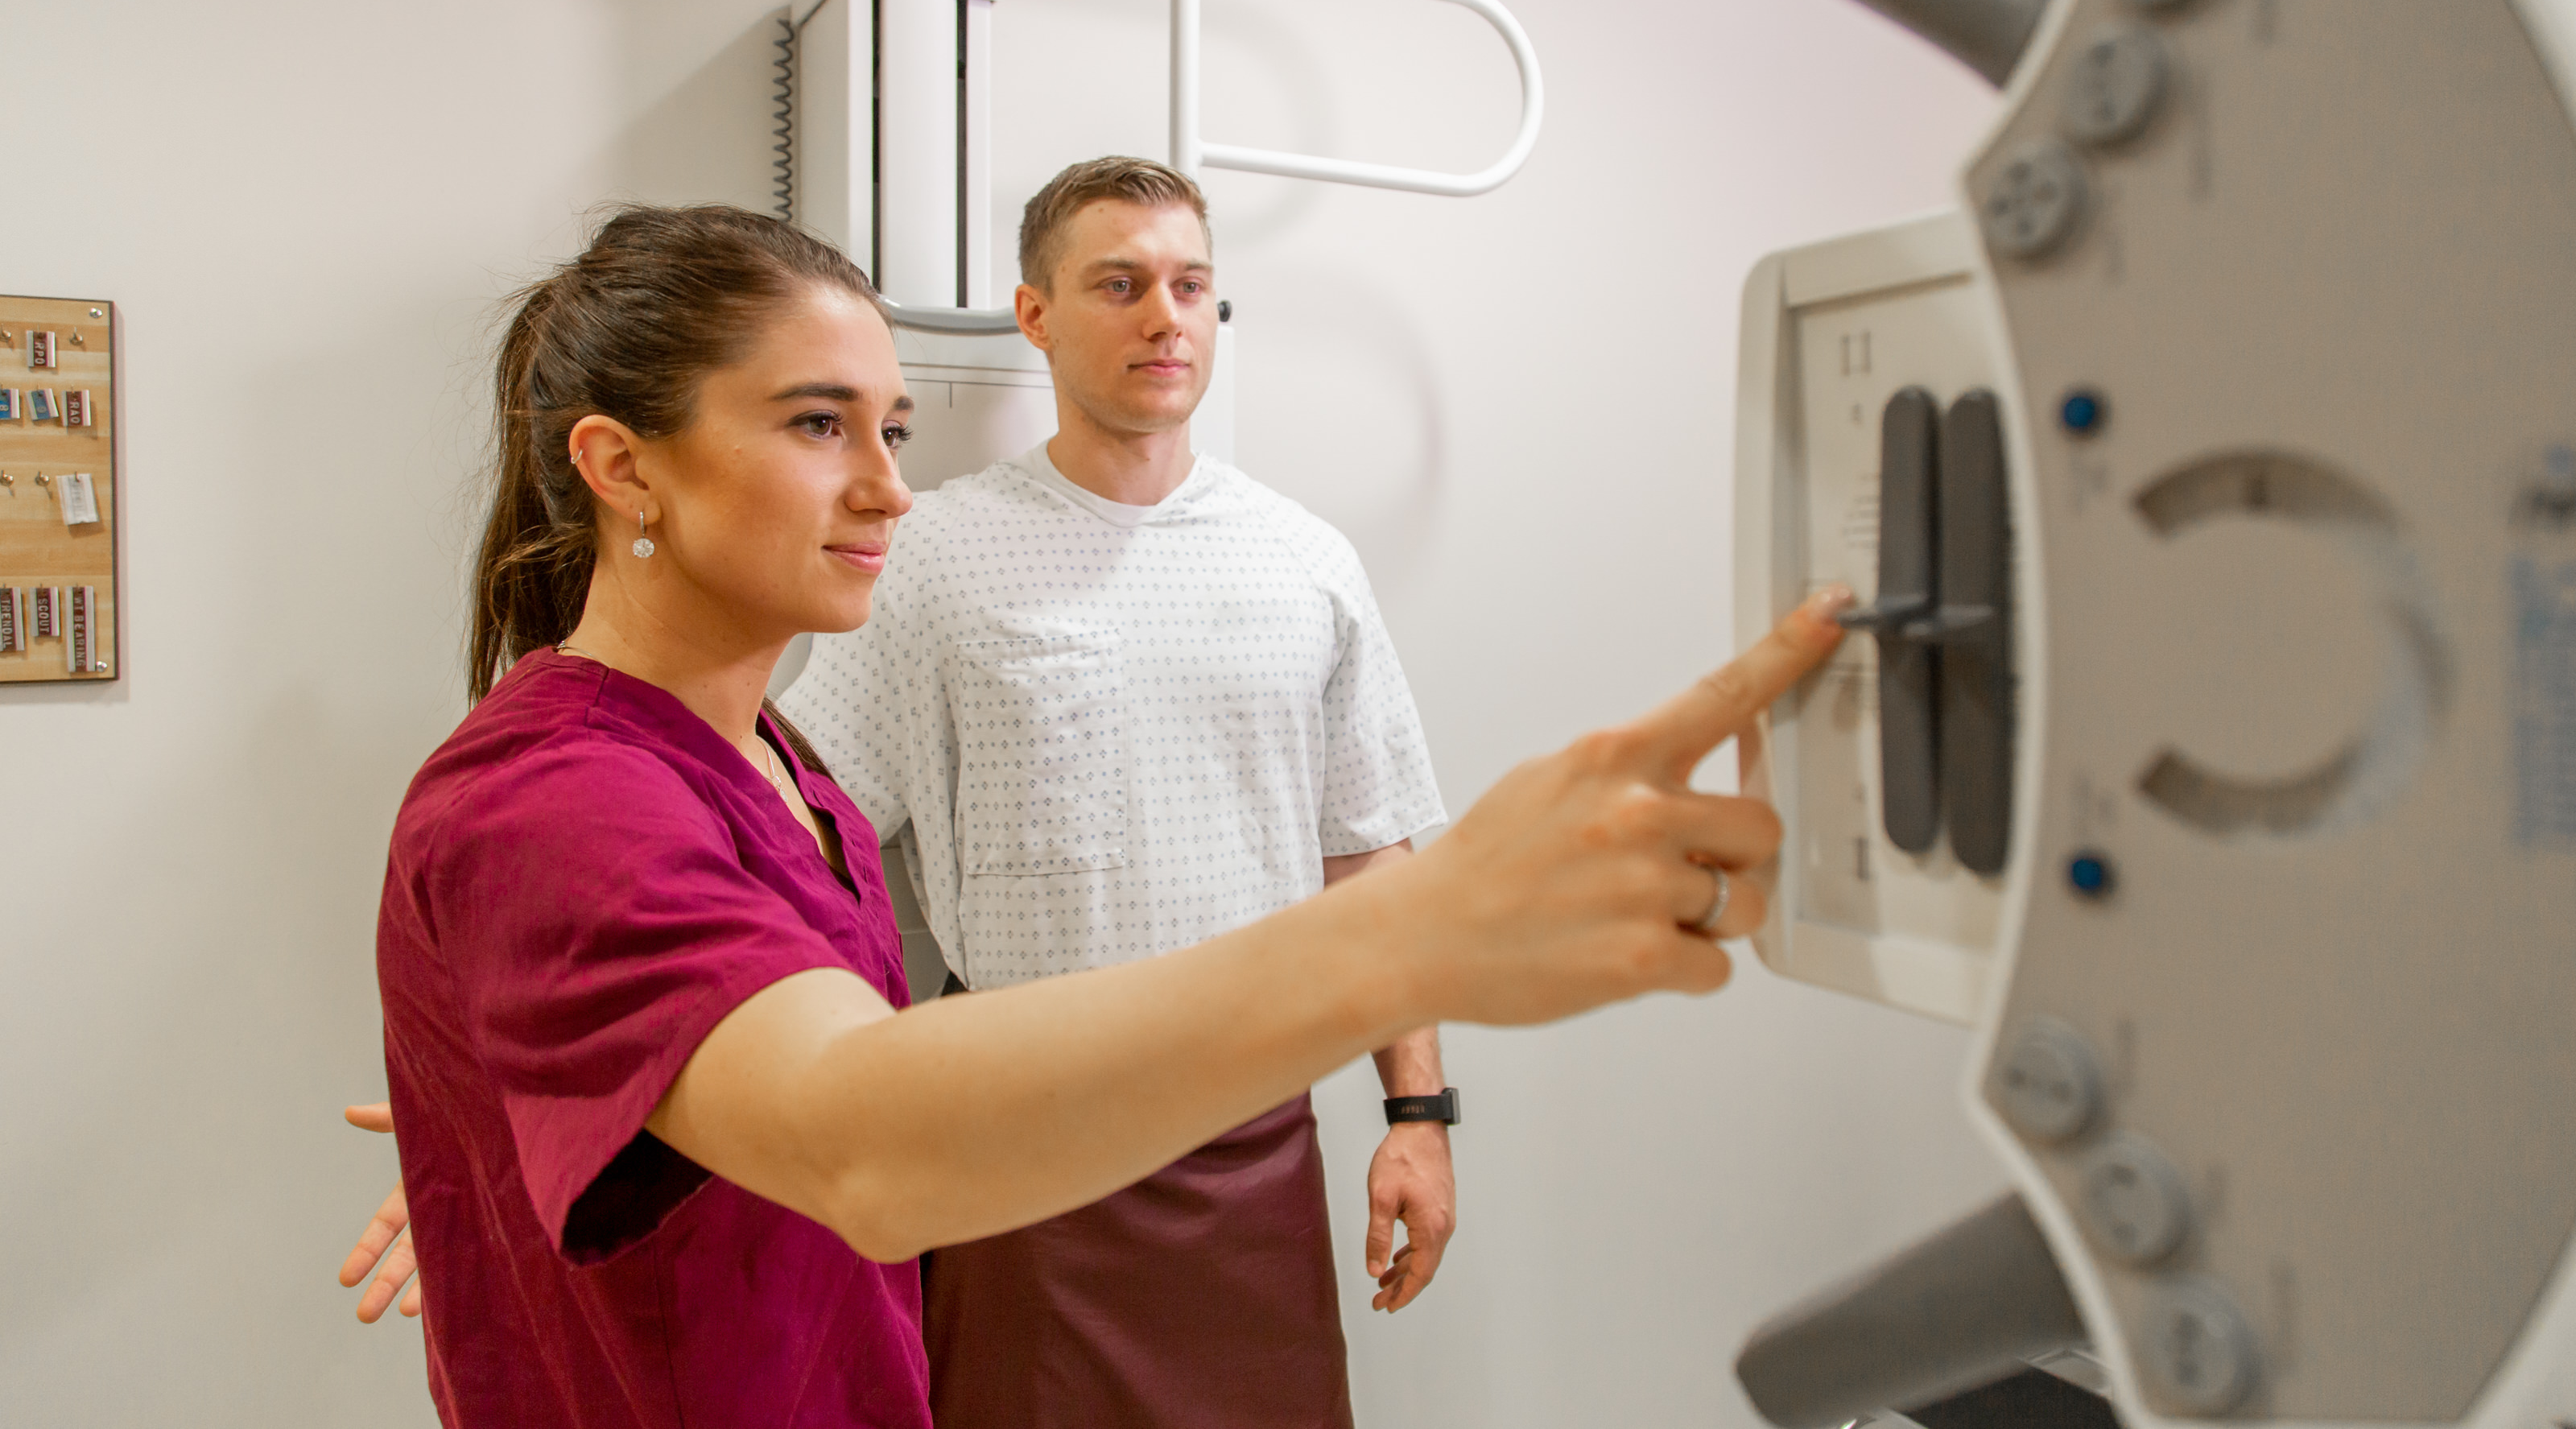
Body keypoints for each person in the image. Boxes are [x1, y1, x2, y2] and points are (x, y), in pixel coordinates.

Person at [349, 200, 1850, 1429]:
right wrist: (1418, 937)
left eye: (894, 433)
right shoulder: (554, 794)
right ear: (620, 468)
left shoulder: (785, 779)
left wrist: (574, 1108)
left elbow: (758, 1048)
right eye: (820, 424)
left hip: (1074, 1239)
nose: (888, 491)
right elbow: (861, 1137)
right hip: (977, 1214)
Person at [777, 156, 1447, 1429]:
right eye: (1121, 284)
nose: (1166, 317)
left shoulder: (1304, 561)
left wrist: (1416, 1112)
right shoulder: (933, 555)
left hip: (1252, 1141)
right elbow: (795, 836)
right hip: (1018, 1141)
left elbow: (1372, 860)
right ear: (1035, 313)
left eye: (1192, 286)